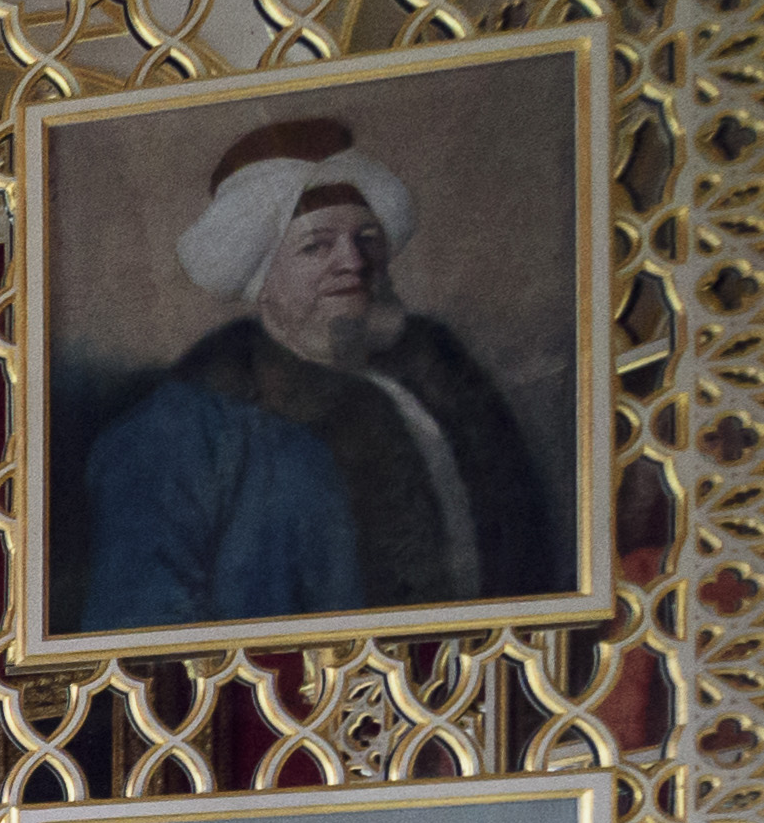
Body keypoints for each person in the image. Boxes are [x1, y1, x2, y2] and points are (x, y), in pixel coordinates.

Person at [79, 112, 559, 636]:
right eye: (317, 245)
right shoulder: (187, 429)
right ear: (262, 278)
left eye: (366, 238)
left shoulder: (440, 371)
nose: (353, 262)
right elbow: (142, 629)